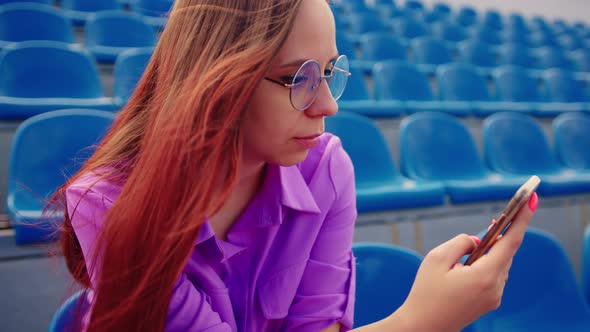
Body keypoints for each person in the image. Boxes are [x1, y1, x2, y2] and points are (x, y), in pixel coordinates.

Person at [54, 0, 539, 331]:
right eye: (296, 79)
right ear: (214, 81)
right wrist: (419, 320)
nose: (327, 105)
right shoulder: (109, 202)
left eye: (328, 72)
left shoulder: (325, 168)